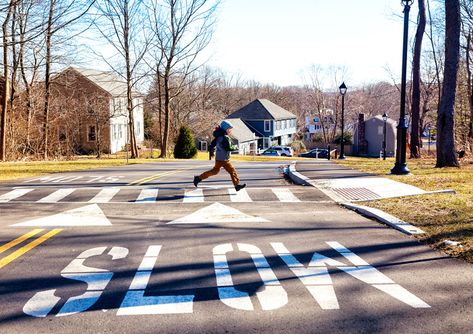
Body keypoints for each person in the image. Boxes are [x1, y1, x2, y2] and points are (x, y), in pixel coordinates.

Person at [193, 120, 246, 191]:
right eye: (229, 129)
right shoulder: (225, 137)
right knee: (230, 170)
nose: (230, 130)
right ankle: (236, 185)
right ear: (225, 129)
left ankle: (198, 178)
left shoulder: (219, 136)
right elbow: (228, 148)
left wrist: (211, 151)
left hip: (220, 158)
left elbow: (212, 144)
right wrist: (235, 147)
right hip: (223, 159)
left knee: (217, 171)